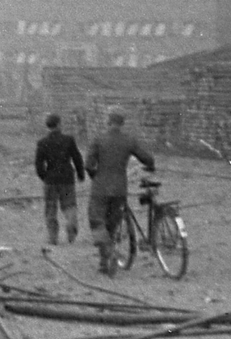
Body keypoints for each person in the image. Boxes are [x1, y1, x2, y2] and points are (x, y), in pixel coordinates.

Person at [85, 111, 155, 276]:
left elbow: (88, 164)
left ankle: (108, 252)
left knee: (96, 221)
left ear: (108, 122)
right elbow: (147, 158)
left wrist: (95, 176)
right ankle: (104, 263)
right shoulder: (129, 140)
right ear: (122, 123)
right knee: (112, 225)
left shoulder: (98, 139)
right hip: (119, 189)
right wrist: (150, 166)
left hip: (100, 188)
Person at [35, 113, 86, 245]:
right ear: (58, 124)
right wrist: (80, 174)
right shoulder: (68, 140)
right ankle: (71, 224)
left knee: (50, 208)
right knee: (69, 205)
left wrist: (44, 176)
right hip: (67, 178)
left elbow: (39, 165)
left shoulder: (42, 143)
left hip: (50, 179)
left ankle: (53, 237)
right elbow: (77, 158)